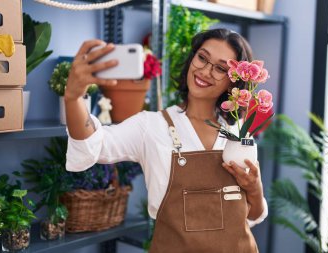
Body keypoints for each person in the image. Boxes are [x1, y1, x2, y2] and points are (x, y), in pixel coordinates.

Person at [65, 28, 267, 253]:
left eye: (220, 68)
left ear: (233, 82)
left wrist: (255, 189)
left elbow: (251, 217)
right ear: (192, 59)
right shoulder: (151, 126)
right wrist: (73, 96)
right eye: (202, 57)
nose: (206, 71)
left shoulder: (238, 134)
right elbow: (94, 144)